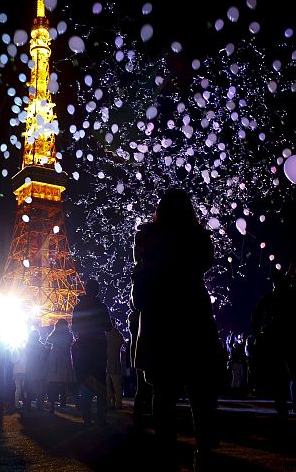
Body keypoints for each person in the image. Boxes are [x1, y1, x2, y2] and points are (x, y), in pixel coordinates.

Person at [131, 188, 221, 471]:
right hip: (194, 321)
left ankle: (166, 454)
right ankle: (204, 451)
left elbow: (140, 285)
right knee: (200, 394)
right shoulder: (198, 238)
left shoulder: (147, 238)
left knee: (164, 395)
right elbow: (205, 262)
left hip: (160, 323)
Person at [71, 277, 113, 426]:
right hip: (98, 348)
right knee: (101, 382)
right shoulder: (101, 307)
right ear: (97, 290)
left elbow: (74, 328)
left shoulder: (78, 307)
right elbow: (109, 327)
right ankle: (101, 417)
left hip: (83, 347)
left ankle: (86, 416)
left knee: (86, 381)